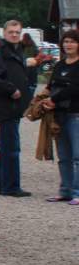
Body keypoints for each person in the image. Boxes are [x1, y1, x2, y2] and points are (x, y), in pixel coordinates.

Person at [0, 20, 33, 197]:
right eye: (11, 32)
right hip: (6, 106)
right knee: (11, 147)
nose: (15, 35)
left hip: (13, 106)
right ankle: (11, 186)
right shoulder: (1, 52)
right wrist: (11, 89)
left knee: (3, 146)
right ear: (4, 32)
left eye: (17, 32)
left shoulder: (17, 50)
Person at [42, 29, 79, 204]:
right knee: (64, 157)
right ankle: (65, 190)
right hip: (59, 115)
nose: (68, 45)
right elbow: (50, 85)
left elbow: (74, 88)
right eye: (66, 41)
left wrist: (54, 99)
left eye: (72, 41)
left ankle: (77, 192)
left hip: (75, 115)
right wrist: (42, 99)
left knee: (78, 156)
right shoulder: (59, 65)